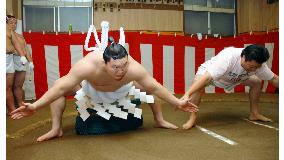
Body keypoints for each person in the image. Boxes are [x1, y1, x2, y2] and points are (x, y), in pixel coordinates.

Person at [11, 38, 198, 142]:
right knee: (58, 84)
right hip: (91, 91)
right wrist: (35, 106)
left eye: (123, 66)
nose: (120, 70)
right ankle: (56, 129)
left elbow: (155, 86)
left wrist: (178, 102)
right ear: (104, 62)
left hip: (122, 91)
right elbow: (61, 86)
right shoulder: (88, 65)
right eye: (115, 67)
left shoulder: (132, 68)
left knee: (147, 86)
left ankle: (159, 120)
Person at [181, 45, 279, 130]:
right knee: (198, 86)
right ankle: (192, 118)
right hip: (211, 75)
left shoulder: (259, 65)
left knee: (256, 82)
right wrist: (187, 94)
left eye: (256, 67)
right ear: (243, 57)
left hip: (235, 78)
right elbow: (207, 78)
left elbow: (274, 79)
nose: (254, 69)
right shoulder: (228, 57)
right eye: (251, 66)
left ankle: (254, 113)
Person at [6, 15, 30, 115]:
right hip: (10, 58)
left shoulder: (18, 35)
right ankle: (11, 109)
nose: (14, 24)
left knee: (16, 85)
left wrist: (29, 60)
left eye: (15, 22)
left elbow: (24, 49)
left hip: (13, 60)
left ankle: (18, 107)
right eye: (11, 22)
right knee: (7, 87)